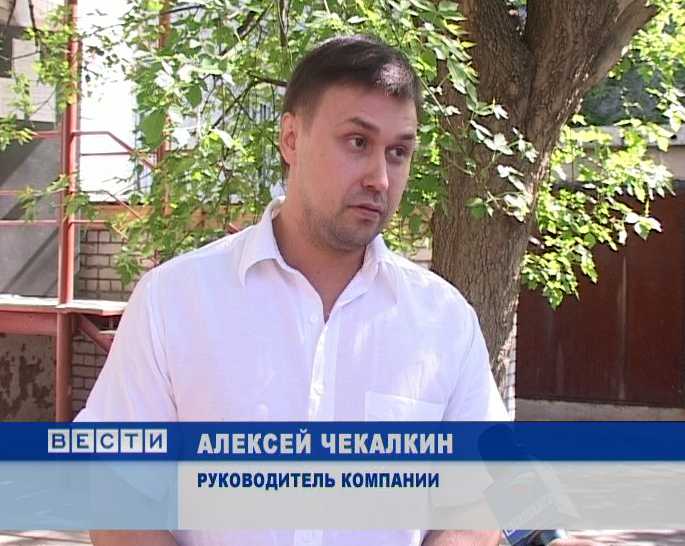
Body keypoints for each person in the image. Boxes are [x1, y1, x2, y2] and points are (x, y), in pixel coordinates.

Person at [80, 35, 596, 546]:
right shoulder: (175, 301)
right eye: (357, 142)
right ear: (291, 139)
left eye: (398, 152)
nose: (380, 178)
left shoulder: (443, 322)